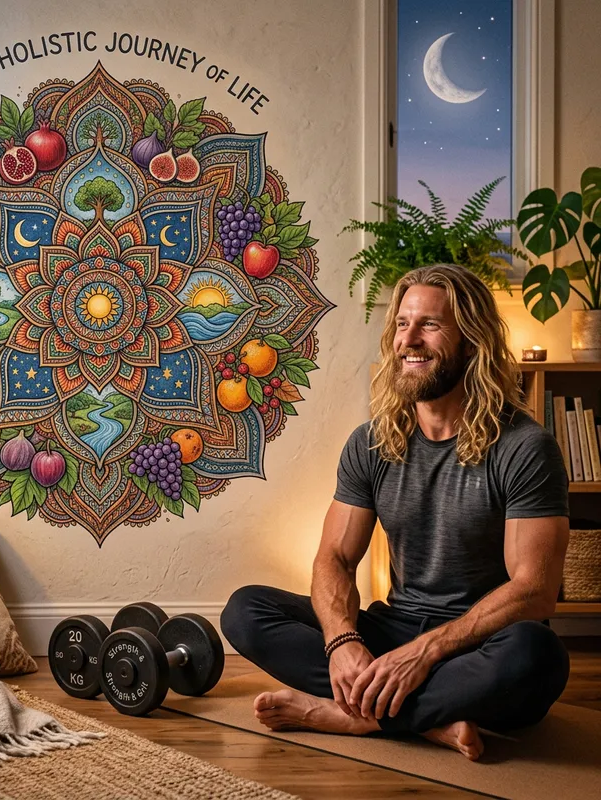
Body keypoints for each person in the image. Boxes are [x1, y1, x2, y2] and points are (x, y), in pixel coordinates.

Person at [221, 264, 571, 761]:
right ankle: (427, 721)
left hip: (479, 641)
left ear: (471, 342)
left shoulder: (524, 447)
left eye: (430, 324)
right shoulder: (371, 443)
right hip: (397, 626)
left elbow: (534, 591)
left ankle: (343, 715)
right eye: (403, 324)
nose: (411, 339)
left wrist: (426, 653)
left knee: (538, 656)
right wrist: (343, 642)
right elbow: (335, 559)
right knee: (246, 610)